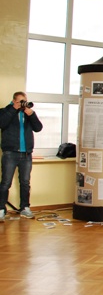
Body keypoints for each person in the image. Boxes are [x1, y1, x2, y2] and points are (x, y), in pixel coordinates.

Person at [0, 92, 43, 221]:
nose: (22, 104)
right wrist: (14, 109)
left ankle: (25, 208)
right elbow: (2, 123)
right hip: (10, 153)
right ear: (14, 101)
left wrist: (32, 114)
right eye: (20, 101)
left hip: (26, 154)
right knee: (5, 183)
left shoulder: (27, 113)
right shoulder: (5, 111)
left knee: (25, 182)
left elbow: (38, 128)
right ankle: (1, 209)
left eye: (24, 101)